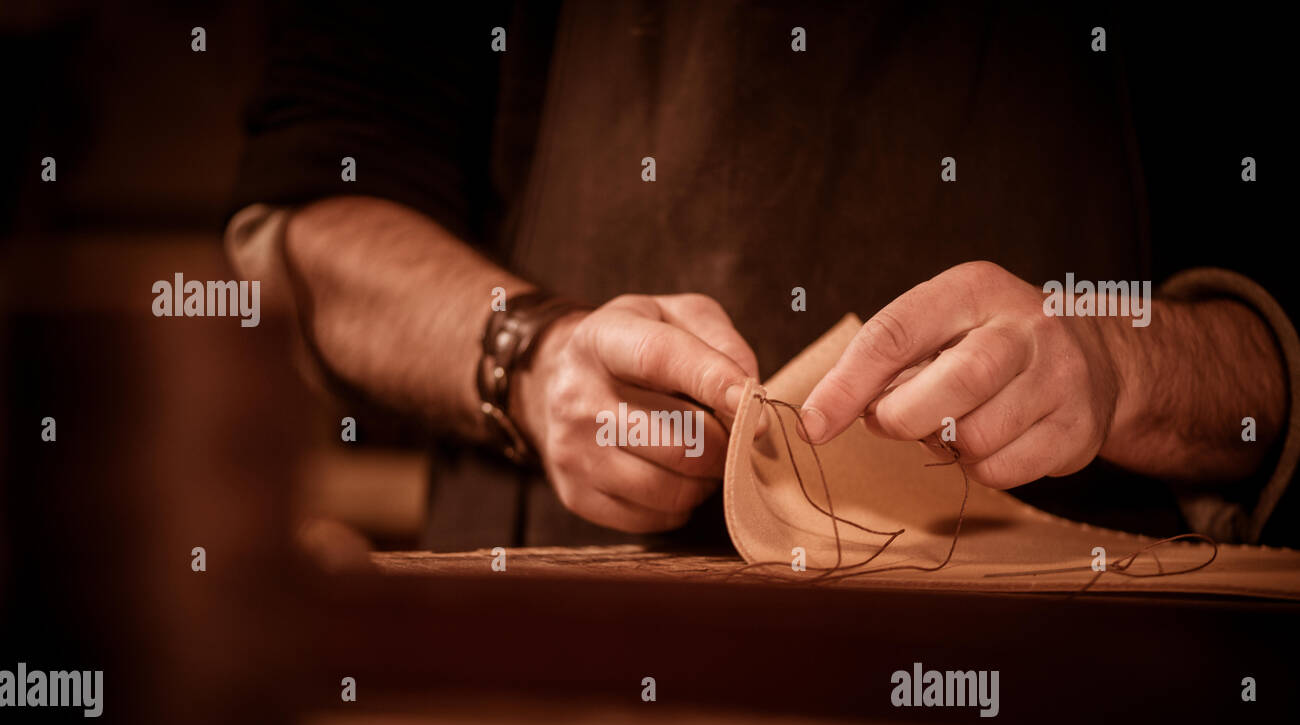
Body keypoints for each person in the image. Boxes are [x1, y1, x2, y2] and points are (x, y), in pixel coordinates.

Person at [227, 1, 1298, 550]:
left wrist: (1118, 358)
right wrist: (528, 353)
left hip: (1083, 680)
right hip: (557, 672)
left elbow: (1276, 339)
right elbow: (318, 206)